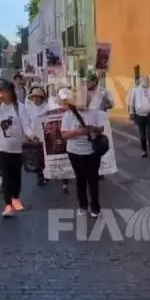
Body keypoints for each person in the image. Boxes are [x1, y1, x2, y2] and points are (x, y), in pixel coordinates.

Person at [0, 80, 30, 217]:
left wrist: (32, 135)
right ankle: (8, 205)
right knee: (5, 175)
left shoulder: (19, 107)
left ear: (10, 92)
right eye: (0, 91)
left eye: (4, 91)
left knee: (16, 174)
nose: (1, 94)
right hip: (1, 147)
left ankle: (15, 198)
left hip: (17, 148)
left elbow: (26, 124)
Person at [60, 89, 103, 217]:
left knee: (93, 180)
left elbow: (101, 128)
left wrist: (93, 129)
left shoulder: (94, 113)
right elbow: (64, 135)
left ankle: (95, 208)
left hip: (92, 152)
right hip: (75, 152)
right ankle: (83, 206)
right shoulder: (68, 115)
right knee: (80, 179)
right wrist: (78, 132)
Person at [23, 86, 54, 186]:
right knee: (38, 157)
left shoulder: (48, 107)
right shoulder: (28, 108)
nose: (36, 98)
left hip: (46, 135)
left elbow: (52, 119)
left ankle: (46, 175)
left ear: (41, 98)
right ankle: (40, 177)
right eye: (34, 96)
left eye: (38, 97)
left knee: (46, 157)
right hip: (34, 136)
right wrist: (30, 135)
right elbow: (25, 123)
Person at [128, 75, 150, 158]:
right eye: (144, 80)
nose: (145, 82)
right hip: (139, 115)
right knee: (142, 134)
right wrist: (131, 112)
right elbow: (132, 102)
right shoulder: (136, 90)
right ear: (141, 81)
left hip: (149, 114)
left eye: (146, 80)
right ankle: (144, 150)